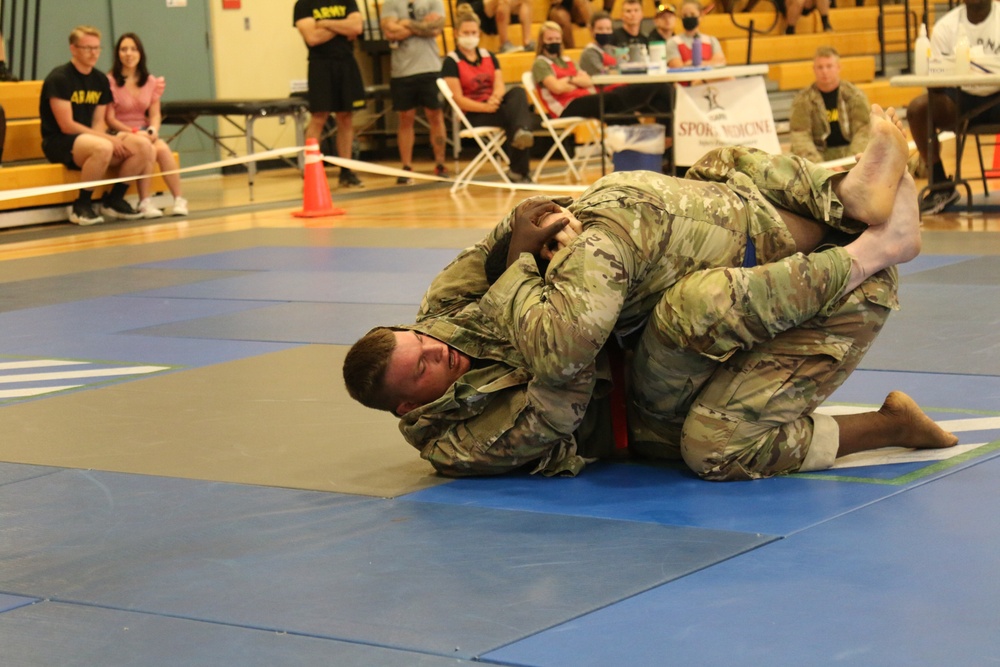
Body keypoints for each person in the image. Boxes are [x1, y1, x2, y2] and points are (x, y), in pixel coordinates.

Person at [344, 106, 959, 480]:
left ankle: (843, 203)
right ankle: (869, 255)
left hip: (636, 335)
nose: (437, 350)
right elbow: (563, 389)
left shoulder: (440, 317)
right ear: (408, 408)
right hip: (637, 417)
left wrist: (538, 231)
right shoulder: (455, 444)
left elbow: (503, 235)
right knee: (714, 444)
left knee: (672, 202)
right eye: (422, 367)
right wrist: (521, 273)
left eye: (419, 340)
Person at [40, 26, 152, 226]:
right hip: (60, 141)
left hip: (90, 137)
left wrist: (107, 136)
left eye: (97, 48)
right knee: (103, 146)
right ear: (73, 49)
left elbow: (99, 122)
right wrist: (108, 138)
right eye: (87, 48)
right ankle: (82, 205)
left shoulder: (100, 79)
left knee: (142, 145)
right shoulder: (60, 78)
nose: (93, 53)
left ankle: (114, 199)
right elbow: (66, 126)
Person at [907, 0, 1000, 215]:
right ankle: (940, 183)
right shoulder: (946, 26)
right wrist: (940, 72)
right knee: (918, 109)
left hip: (997, 97)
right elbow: (935, 84)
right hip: (960, 100)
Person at [443, 6, 537, 183]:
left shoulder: (489, 56)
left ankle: (522, 139)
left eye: (473, 32)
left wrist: (495, 98)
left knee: (517, 93)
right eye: (466, 32)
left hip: (493, 105)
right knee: (516, 117)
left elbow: (499, 85)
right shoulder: (451, 61)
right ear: (456, 33)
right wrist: (485, 107)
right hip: (473, 113)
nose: (470, 36)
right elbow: (458, 100)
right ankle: (519, 170)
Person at [105, 33, 188, 218]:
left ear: (140, 53)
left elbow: (155, 114)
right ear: (117, 54)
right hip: (121, 132)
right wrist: (135, 132)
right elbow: (110, 119)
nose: (129, 53)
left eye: (133, 49)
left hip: (144, 131)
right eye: (124, 49)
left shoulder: (150, 81)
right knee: (147, 150)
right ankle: (145, 201)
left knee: (163, 149)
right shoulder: (110, 82)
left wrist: (152, 130)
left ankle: (179, 199)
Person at [294, 0, 367, 189]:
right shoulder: (303, 4)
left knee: (346, 118)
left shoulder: (347, 1)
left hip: (346, 63)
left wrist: (325, 23)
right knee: (319, 117)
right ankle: (311, 172)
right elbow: (312, 38)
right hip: (320, 65)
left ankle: (346, 171)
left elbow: (357, 27)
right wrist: (342, 26)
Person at [533, 21, 662, 120]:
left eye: (557, 39)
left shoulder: (567, 60)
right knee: (612, 100)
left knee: (614, 103)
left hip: (584, 98)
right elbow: (557, 88)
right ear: (542, 41)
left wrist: (568, 81)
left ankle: (628, 139)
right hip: (565, 107)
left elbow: (588, 81)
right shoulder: (541, 63)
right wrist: (574, 81)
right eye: (550, 39)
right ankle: (631, 137)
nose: (554, 42)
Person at [381, 0, 450, 184]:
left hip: (430, 68)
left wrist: (404, 24)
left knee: (435, 115)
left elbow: (436, 28)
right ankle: (406, 166)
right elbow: (389, 31)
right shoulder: (390, 4)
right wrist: (422, 27)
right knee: (405, 117)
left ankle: (440, 164)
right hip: (402, 71)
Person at [789, 46, 871, 168]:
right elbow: (800, 135)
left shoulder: (854, 96)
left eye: (829, 66)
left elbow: (864, 131)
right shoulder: (803, 100)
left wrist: (848, 164)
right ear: (814, 69)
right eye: (820, 67)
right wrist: (820, 167)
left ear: (838, 67)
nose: (825, 71)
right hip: (818, 156)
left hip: (850, 153)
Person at [666, 0, 726, 68]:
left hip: (708, 77)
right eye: (685, 15)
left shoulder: (711, 41)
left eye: (692, 14)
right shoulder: (673, 42)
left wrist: (693, 64)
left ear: (701, 16)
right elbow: (677, 66)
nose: (689, 17)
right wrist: (708, 63)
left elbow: (719, 62)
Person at [467, 0, 535, 53]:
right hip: (482, 16)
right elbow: (463, 7)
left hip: (506, 13)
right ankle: (504, 44)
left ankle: (527, 42)